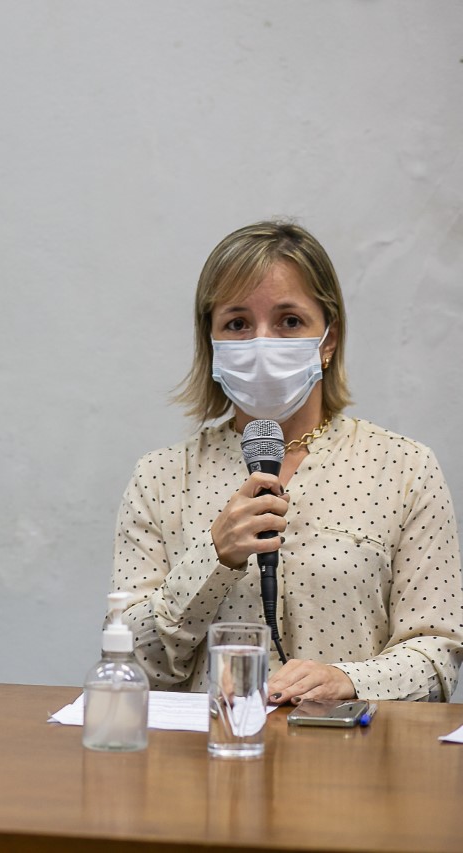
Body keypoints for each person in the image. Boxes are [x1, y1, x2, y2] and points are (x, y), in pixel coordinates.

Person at [113, 220, 463, 703]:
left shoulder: (404, 469)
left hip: (348, 763)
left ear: (329, 340)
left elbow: (439, 654)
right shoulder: (161, 477)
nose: (263, 343)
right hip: (207, 760)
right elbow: (132, 663)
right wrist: (213, 558)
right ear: (211, 344)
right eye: (237, 324)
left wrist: (351, 681)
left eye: (289, 321)